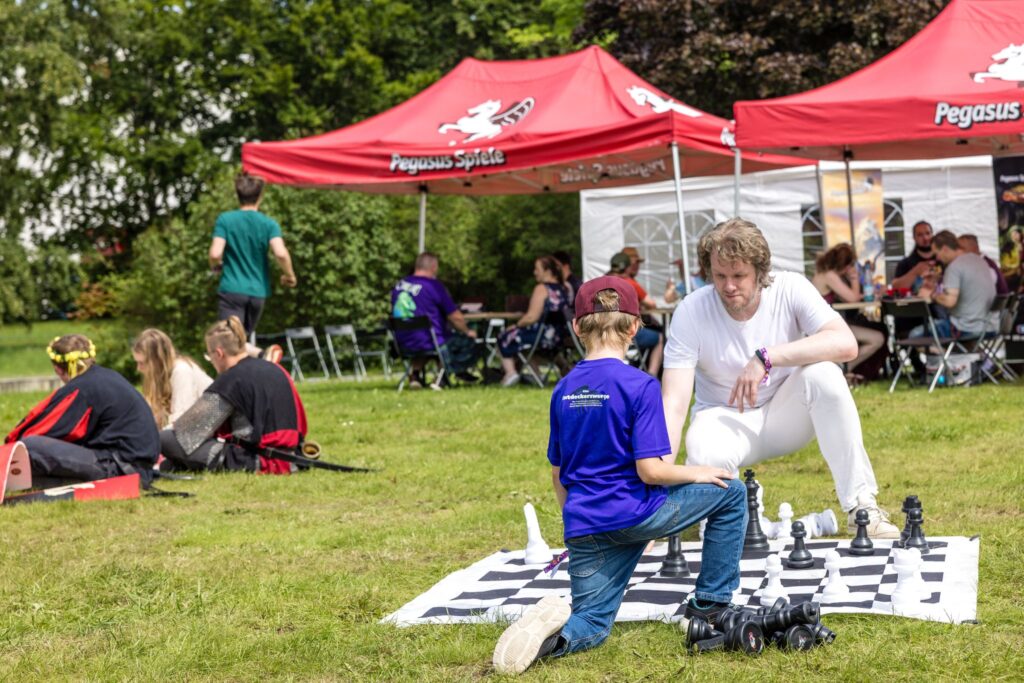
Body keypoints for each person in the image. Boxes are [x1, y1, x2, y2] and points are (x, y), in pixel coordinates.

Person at [491, 276, 746, 675]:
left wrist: (572, 524)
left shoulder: (562, 389)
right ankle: (710, 604)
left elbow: (558, 472)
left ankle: (550, 640)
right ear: (633, 328)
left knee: (591, 622)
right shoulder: (641, 386)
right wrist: (699, 470)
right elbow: (651, 470)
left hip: (585, 524)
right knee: (732, 493)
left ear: (577, 327)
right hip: (636, 513)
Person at [661, 218, 899, 538]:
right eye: (719, 276)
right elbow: (673, 404)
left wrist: (767, 357)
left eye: (739, 276)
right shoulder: (691, 310)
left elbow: (845, 344)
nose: (728, 286)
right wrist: (657, 489)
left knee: (825, 374)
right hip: (724, 420)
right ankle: (732, 521)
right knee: (700, 445)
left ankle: (862, 507)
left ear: (761, 273)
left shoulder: (791, 287)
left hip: (786, 414)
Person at [5, 334, 160, 488]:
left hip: (119, 468)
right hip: (136, 466)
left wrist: (9, 450)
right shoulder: (107, 375)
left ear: (58, 369)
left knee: (29, 445)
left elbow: (43, 429)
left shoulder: (81, 388)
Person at [159, 317, 307, 474]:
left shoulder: (231, 379)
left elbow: (188, 431)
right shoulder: (278, 369)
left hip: (254, 458)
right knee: (168, 464)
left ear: (218, 353)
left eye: (209, 356)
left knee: (164, 439)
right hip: (291, 456)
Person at [209, 172, 298, 337]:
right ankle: (260, 354)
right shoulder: (269, 224)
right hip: (258, 292)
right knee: (241, 339)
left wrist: (215, 266)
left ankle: (262, 354)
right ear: (260, 196)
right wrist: (290, 275)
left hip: (232, 290)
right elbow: (280, 253)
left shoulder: (225, 220)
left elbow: (215, 253)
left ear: (238, 195)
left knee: (229, 340)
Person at [390, 252, 479, 387]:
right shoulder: (433, 286)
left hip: (402, 343)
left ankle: (415, 376)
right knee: (463, 340)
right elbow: (455, 317)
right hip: (431, 342)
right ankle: (442, 377)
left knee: (422, 338)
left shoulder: (399, 285)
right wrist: (468, 331)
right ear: (434, 267)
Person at [811, 244, 886, 382]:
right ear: (845, 265)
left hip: (826, 326)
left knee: (877, 333)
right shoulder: (829, 276)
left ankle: (843, 369)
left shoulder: (825, 273)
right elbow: (853, 298)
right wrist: (854, 278)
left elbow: (848, 298)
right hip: (826, 329)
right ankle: (844, 370)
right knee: (877, 338)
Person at [498, 255, 572, 387]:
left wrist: (515, 325)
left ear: (548, 271)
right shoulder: (564, 288)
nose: (534, 272)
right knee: (526, 345)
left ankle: (510, 373)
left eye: (537, 269)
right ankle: (537, 375)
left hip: (541, 338)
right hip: (559, 338)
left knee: (505, 336)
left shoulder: (542, 289)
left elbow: (532, 317)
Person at [916, 230, 997, 339]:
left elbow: (949, 301)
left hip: (966, 328)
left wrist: (930, 294)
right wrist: (938, 280)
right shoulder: (978, 260)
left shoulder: (954, 267)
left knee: (915, 335)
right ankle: (950, 353)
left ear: (945, 249)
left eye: (937, 254)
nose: (937, 258)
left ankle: (943, 355)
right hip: (990, 327)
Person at [132, 329, 213, 429]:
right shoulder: (163, 377)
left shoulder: (181, 371)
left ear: (157, 360)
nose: (138, 368)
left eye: (142, 363)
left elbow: (182, 422)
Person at [610, 249, 663, 375]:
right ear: (628, 268)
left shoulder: (603, 282)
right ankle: (652, 374)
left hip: (608, 331)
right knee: (660, 337)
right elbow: (651, 304)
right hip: (629, 332)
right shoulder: (631, 283)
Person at [891, 220, 936, 293]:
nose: (925, 238)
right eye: (920, 235)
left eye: (928, 233)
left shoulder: (943, 260)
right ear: (914, 238)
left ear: (932, 235)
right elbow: (896, 288)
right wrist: (915, 272)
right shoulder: (905, 264)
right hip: (916, 304)